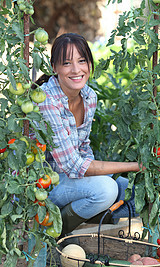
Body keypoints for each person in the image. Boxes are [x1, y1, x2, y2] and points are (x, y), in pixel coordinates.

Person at [35, 33, 144, 238]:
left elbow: (83, 148)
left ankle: (91, 223)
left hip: (70, 179)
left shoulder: (88, 96)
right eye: (67, 63)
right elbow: (74, 166)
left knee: (132, 192)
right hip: (45, 186)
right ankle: (54, 233)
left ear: (89, 63)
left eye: (82, 61)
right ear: (54, 68)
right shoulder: (47, 101)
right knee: (106, 190)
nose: (76, 70)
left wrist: (100, 175)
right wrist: (134, 165)